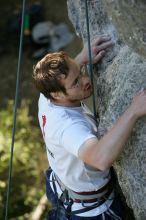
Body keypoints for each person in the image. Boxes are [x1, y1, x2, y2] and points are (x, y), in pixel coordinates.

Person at [32, 36, 146, 220]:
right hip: (90, 210)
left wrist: (80, 58)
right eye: (76, 82)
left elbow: (63, 77)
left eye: (80, 72)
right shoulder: (68, 128)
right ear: (56, 95)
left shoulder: (46, 94)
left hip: (61, 185)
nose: (85, 80)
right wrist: (134, 110)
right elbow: (100, 158)